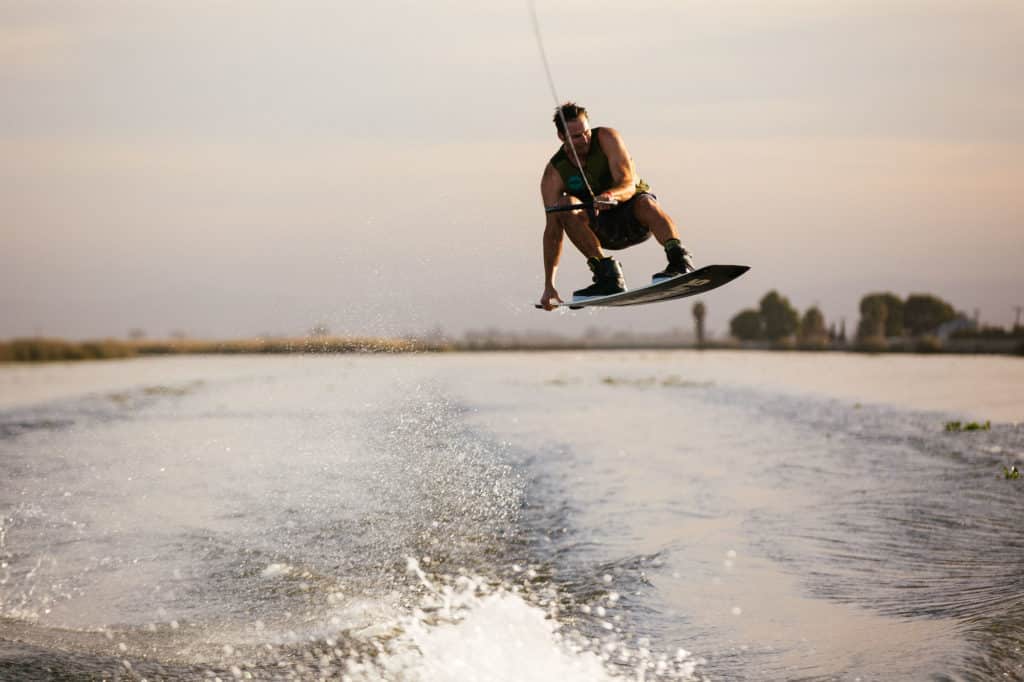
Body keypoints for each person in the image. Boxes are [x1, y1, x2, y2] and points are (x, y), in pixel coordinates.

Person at [537, 102, 693, 310]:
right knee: (565, 206)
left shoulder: (606, 138)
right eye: (575, 137)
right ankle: (607, 276)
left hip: (634, 217)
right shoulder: (554, 173)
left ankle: (679, 260)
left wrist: (610, 195)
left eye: (586, 132)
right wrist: (549, 284)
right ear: (561, 137)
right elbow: (553, 233)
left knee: (645, 201)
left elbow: (628, 183)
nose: (584, 140)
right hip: (602, 231)